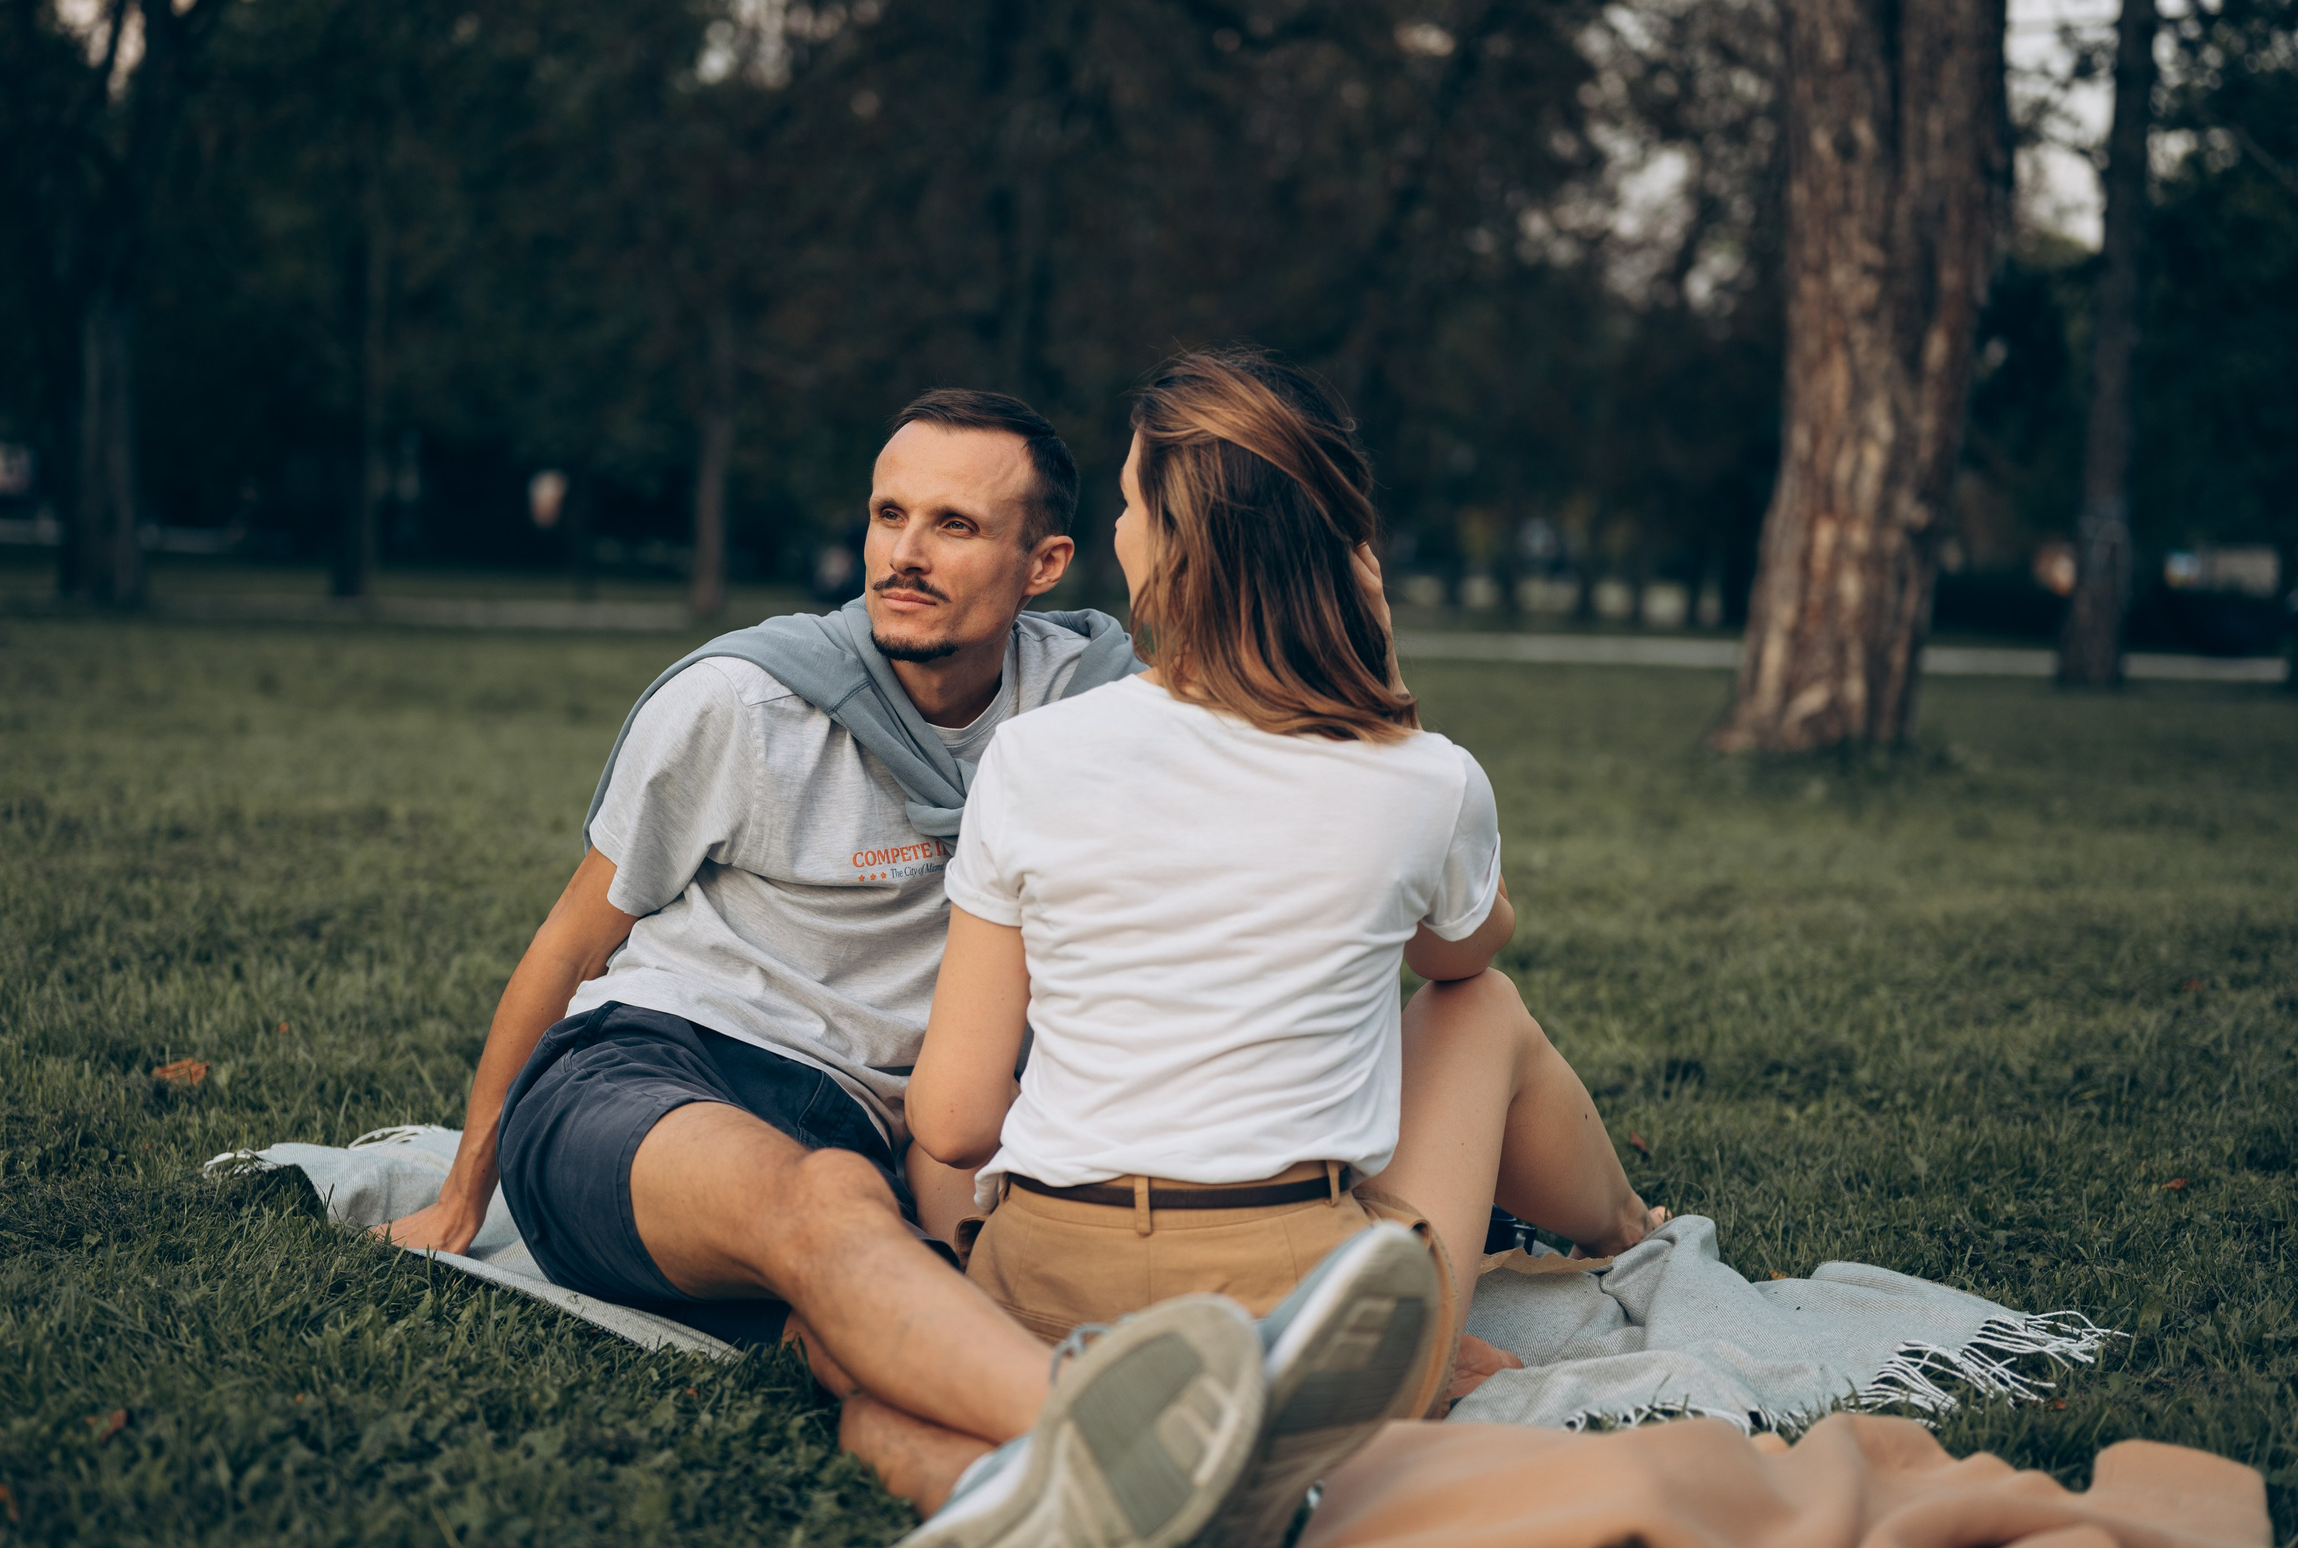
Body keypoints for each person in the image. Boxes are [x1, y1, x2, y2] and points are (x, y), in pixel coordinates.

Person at [381, 390, 1339, 1544]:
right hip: (644, 1077)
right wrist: (462, 1186)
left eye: (954, 525)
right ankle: (1136, 1438)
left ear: (1045, 562)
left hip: (880, 1140)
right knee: (830, 1201)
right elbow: (576, 940)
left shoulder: (1085, 704)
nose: (904, 554)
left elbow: (1283, 715)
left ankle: (1133, 1518)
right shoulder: (742, 699)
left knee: (874, 1342)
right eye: (890, 515)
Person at [904, 350, 1664, 1545]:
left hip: (1046, 1284)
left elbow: (950, 1119)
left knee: (875, 1402)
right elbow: (1467, 953)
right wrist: (1386, 688)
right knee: (1486, 1009)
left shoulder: (1034, 758)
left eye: (1126, 503)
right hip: (1309, 1302)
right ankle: (1625, 1232)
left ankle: (1042, 1469)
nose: (1114, 525)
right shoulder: (1422, 779)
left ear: (1171, 545)